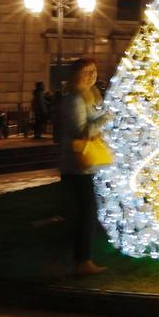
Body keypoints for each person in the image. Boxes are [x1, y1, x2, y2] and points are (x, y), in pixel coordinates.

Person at [56, 57, 111, 276]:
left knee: (87, 212)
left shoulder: (89, 96)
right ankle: (82, 261)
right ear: (76, 75)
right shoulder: (75, 99)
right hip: (76, 166)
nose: (92, 75)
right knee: (86, 213)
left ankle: (82, 259)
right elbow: (81, 131)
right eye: (87, 71)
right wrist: (106, 118)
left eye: (94, 70)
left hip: (85, 166)